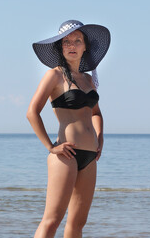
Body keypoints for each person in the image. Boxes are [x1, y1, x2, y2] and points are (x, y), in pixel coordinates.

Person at [27, 20, 111, 238]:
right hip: (66, 154)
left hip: (90, 156)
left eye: (77, 40)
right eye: (66, 42)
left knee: (77, 224)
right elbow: (32, 112)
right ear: (60, 47)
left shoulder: (89, 80)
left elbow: (96, 113)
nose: (71, 45)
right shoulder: (54, 75)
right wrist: (50, 147)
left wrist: (100, 138)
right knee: (52, 220)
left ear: (85, 46)